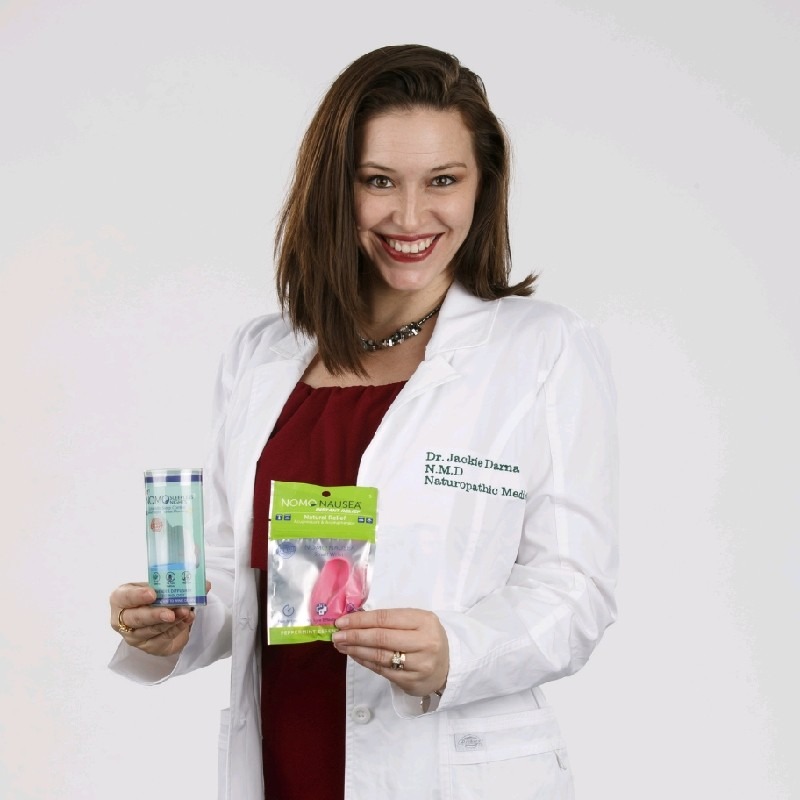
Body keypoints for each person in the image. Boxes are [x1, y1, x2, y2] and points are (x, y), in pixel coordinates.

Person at [108, 44, 618, 799]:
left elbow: (575, 590)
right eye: (378, 180)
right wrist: (178, 623)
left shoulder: (542, 349)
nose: (410, 217)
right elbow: (235, 570)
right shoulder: (261, 354)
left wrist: (457, 649)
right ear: (334, 188)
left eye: (443, 180)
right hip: (286, 759)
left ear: (483, 186)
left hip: (444, 768)